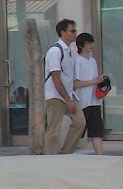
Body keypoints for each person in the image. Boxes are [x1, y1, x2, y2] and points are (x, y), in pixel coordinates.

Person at [41, 19, 84, 155]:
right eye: (72, 30)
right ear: (63, 32)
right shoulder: (55, 51)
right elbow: (56, 78)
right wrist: (68, 100)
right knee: (54, 129)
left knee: (80, 122)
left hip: (68, 94)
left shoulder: (68, 51)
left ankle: (66, 153)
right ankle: (50, 158)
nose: (75, 33)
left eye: (75, 30)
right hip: (55, 96)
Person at [72, 32, 107, 155]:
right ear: (81, 45)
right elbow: (76, 83)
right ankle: (69, 152)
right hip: (83, 101)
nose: (91, 45)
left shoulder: (93, 61)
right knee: (79, 130)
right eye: (88, 43)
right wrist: (95, 81)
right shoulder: (77, 61)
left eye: (92, 42)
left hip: (94, 100)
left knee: (96, 131)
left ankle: (100, 155)